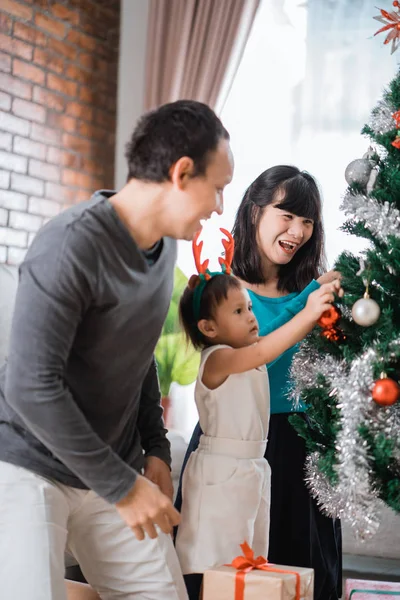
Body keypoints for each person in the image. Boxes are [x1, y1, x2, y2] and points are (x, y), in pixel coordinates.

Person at [0, 100, 234, 600]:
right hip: (29, 465)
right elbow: (29, 385)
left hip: (113, 465)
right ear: (181, 172)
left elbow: (139, 354)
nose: (219, 205)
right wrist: (123, 487)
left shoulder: (162, 246)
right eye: (217, 188)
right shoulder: (70, 244)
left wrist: (154, 447)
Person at [175, 165, 343, 600]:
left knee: (296, 574)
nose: (298, 230)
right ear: (254, 212)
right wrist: (306, 307)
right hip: (233, 444)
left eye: (307, 221)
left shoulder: (315, 290)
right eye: (286, 215)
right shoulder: (223, 289)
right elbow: (256, 358)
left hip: (299, 445)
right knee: (216, 574)